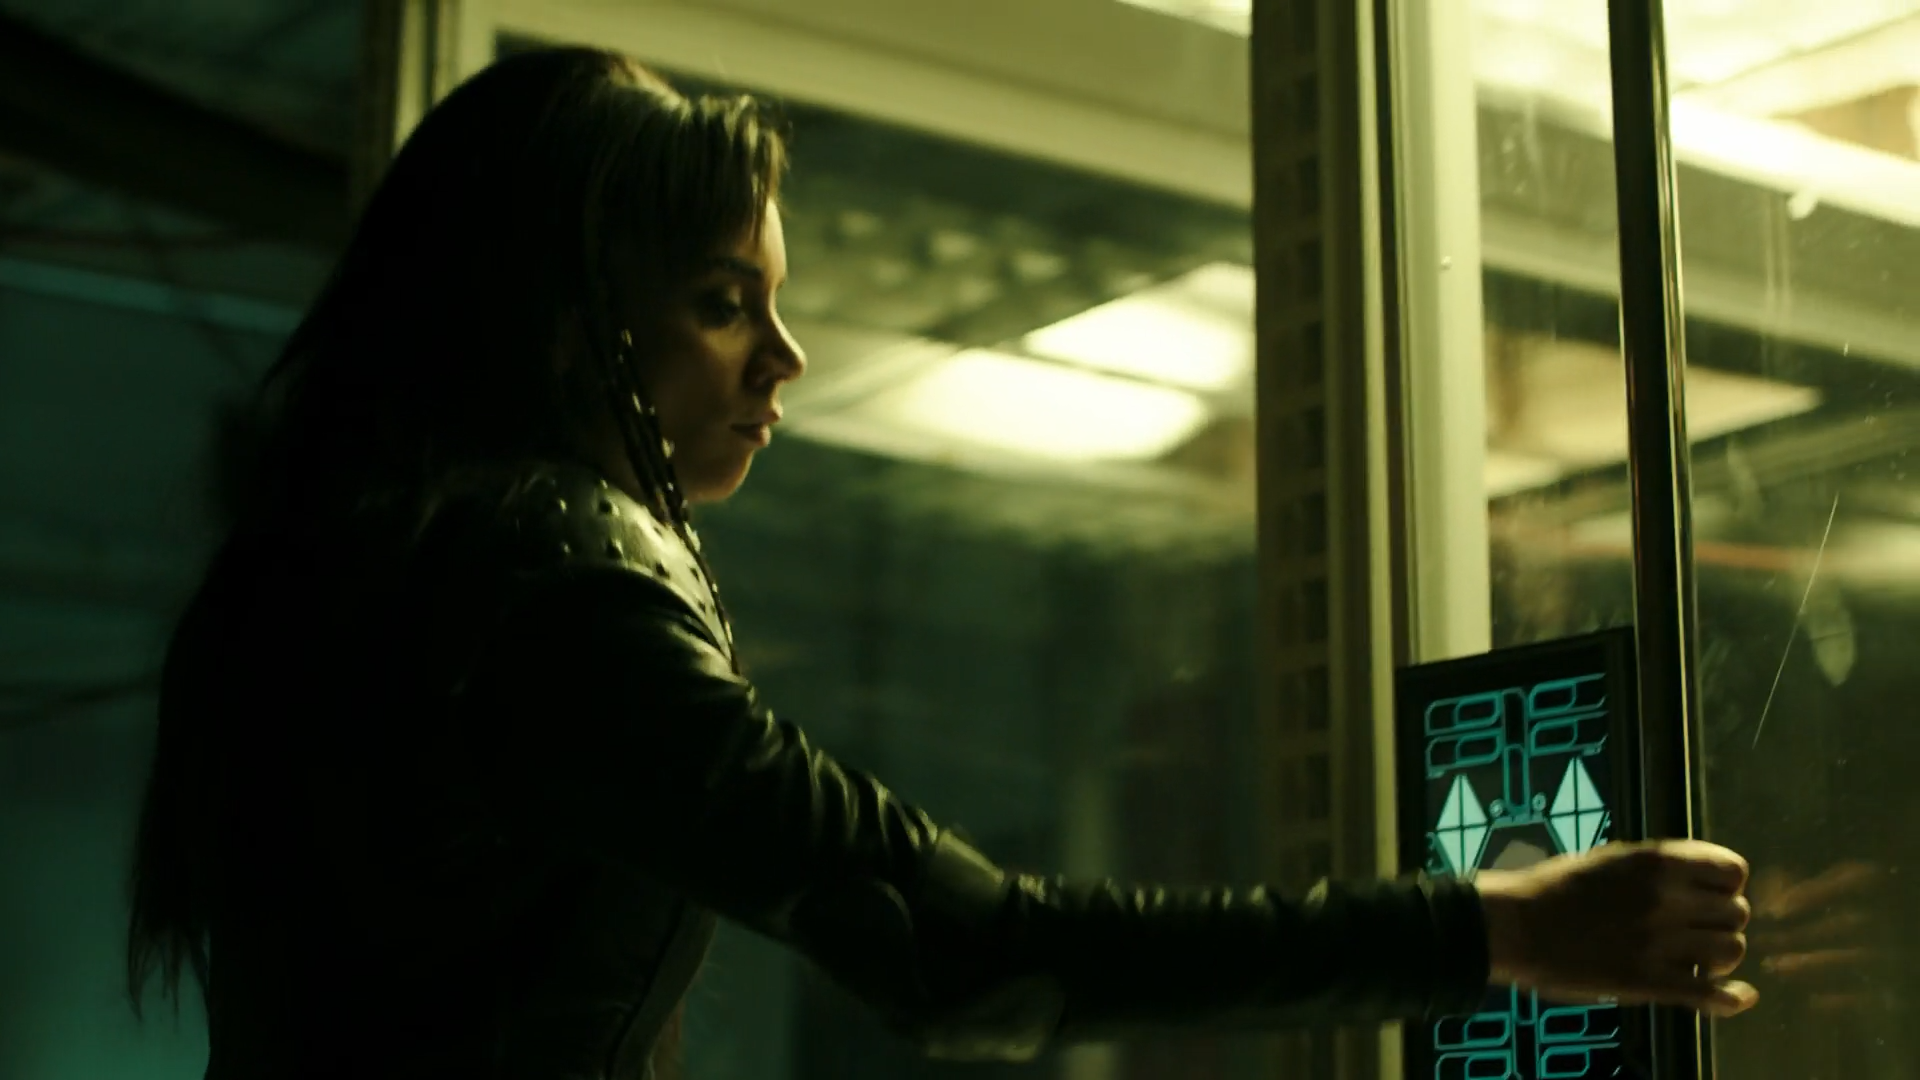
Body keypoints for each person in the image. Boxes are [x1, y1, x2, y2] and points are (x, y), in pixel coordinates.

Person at [124, 47, 1756, 1079]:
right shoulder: (553, 592)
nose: (786, 360)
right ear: (566, 319)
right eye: (722, 301)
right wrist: (1498, 928)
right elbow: (965, 946)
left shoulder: (340, 572)